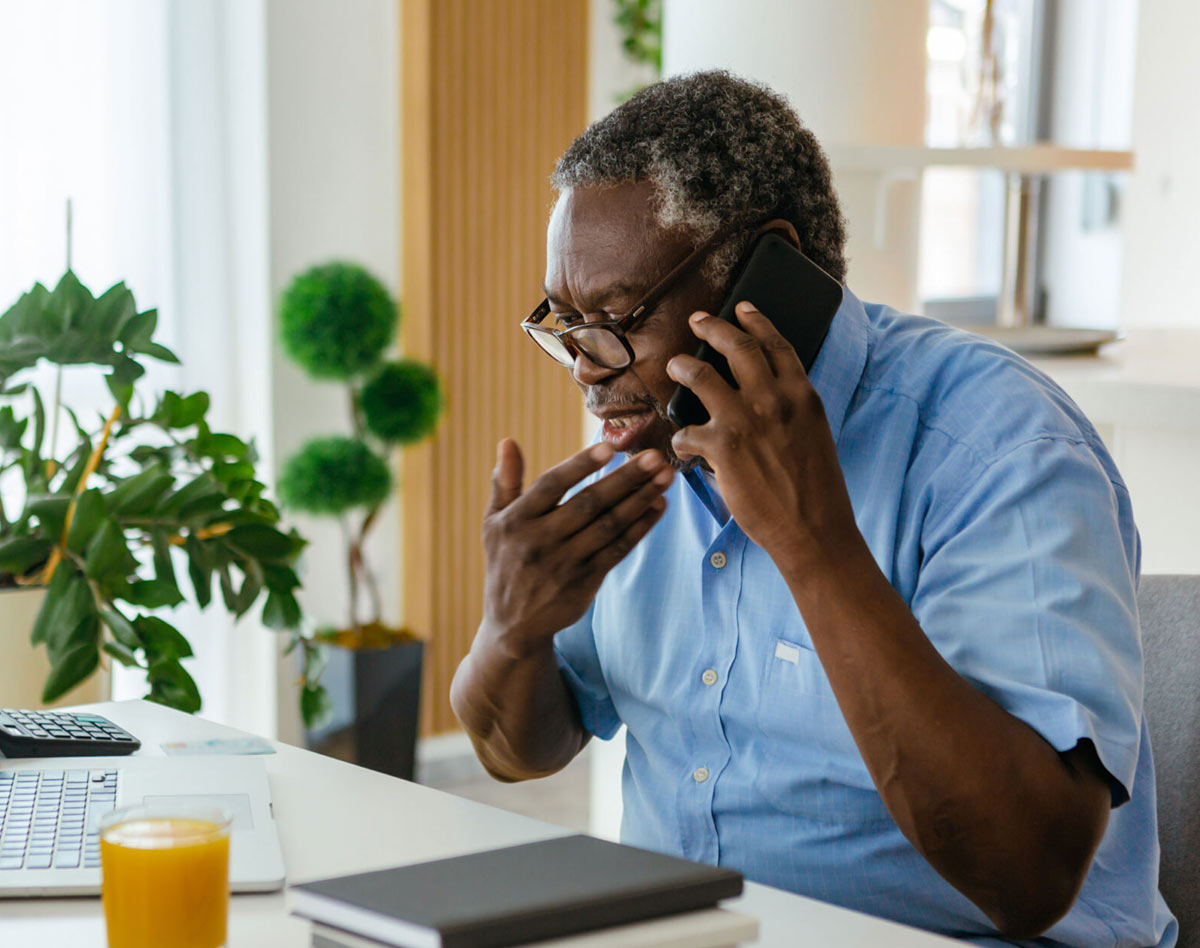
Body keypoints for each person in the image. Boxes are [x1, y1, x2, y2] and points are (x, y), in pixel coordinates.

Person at [449, 71, 1176, 947]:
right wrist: (512, 632)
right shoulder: (647, 451)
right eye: (562, 323)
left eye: (615, 317)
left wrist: (813, 541)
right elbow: (522, 750)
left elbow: (1027, 877)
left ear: (767, 276)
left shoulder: (1002, 448)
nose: (585, 368)